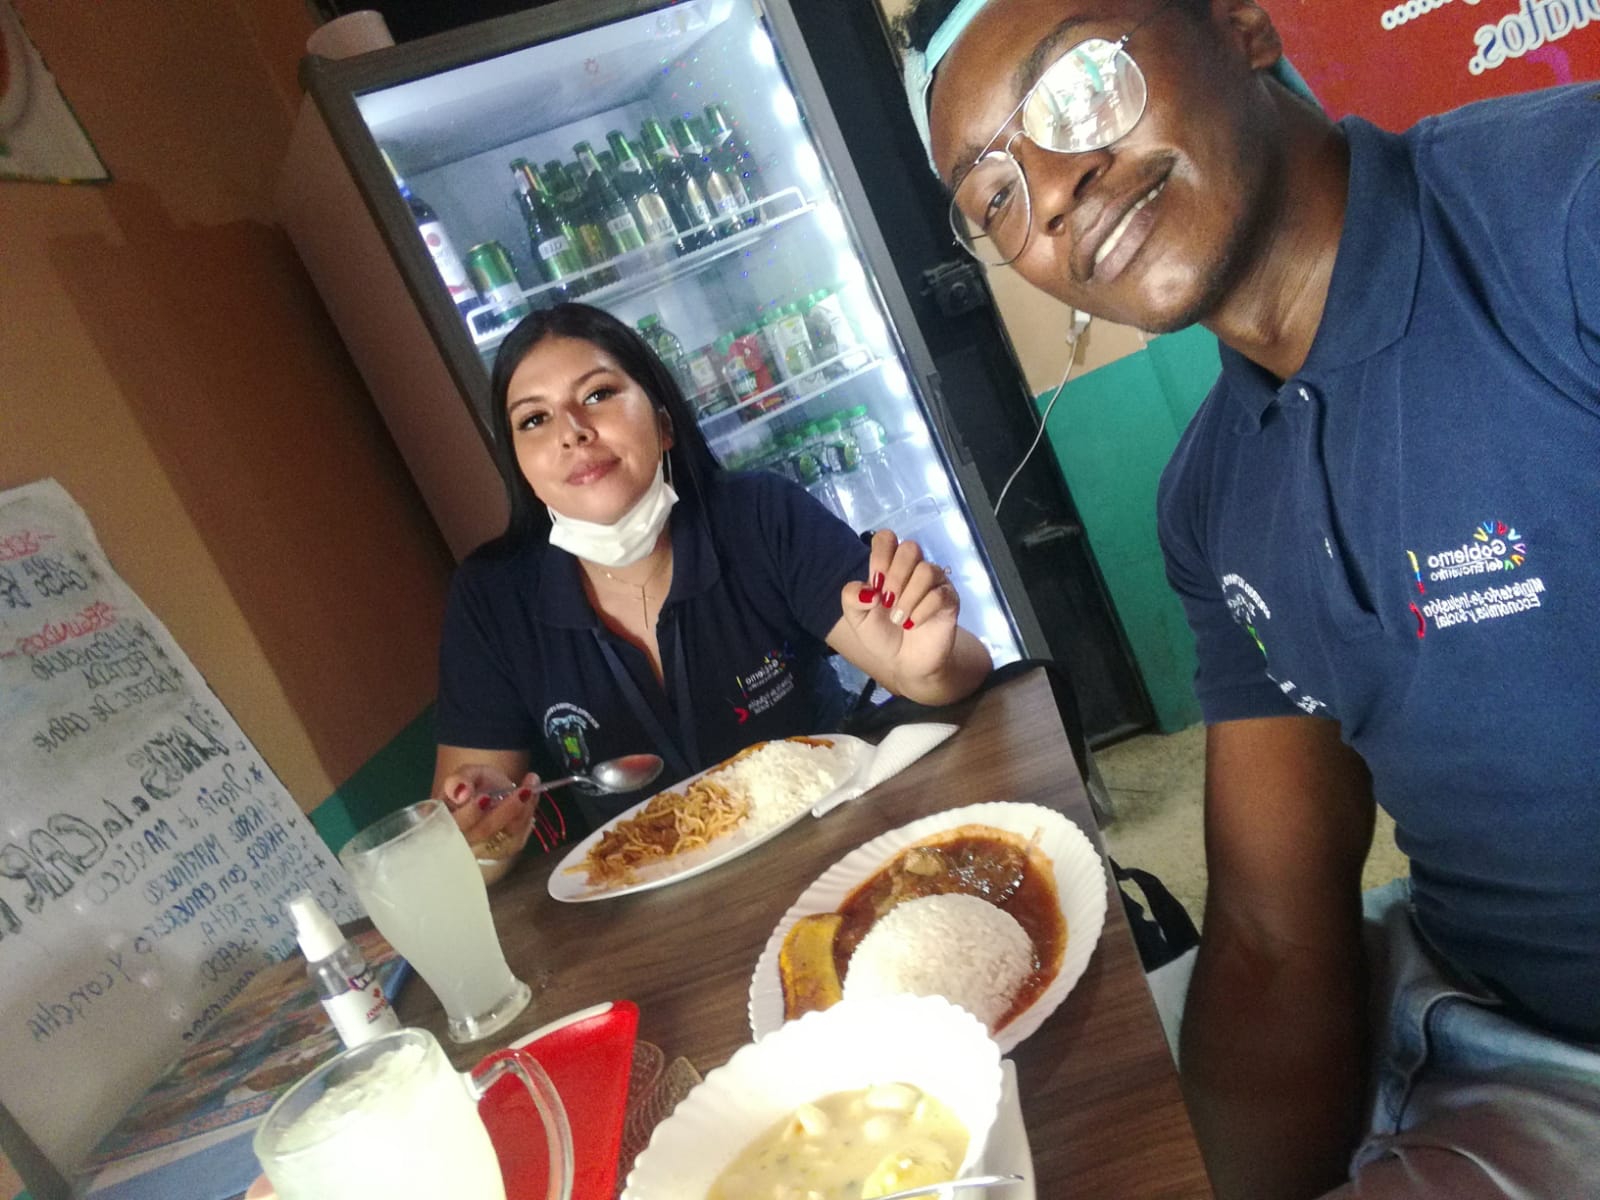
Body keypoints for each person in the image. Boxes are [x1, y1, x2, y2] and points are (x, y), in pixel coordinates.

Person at [899, 0, 1600, 1197]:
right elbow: (1276, 939)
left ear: (1240, 26)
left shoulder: (1559, 208)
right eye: (994, 194)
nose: (1052, 194)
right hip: (1474, 1036)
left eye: (1078, 86)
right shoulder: (1213, 499)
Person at [435, 302, 992, 864]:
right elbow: (467, 847)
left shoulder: (759, 515)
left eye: (598, 394)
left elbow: (953, 668)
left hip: (844, 841)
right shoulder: (492, 599)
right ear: (521, 469)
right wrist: (484, 831)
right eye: (534, 420)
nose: (572, 432)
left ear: (664, 423)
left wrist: (926, 670)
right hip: (646, 892)